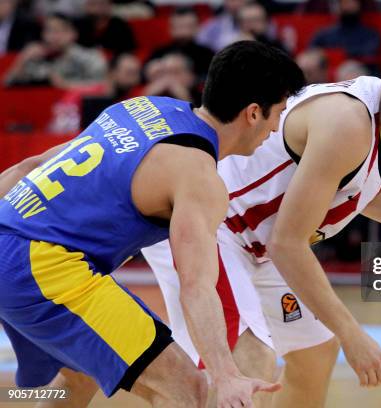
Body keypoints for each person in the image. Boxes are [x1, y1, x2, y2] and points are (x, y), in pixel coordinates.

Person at [143, 27, 381, 408]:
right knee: (251, 363)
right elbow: (288, 244)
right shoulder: (347, 121)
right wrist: (352, 333)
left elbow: (360, 192)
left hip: (260, 243)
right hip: (210, 222)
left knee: (314, 353)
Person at [0, 41, 305, 407]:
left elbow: (27, 168)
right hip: (41, 267)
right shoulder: (199, 177)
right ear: (254, 113)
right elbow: (195, 286)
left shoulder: (140, 106)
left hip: (12, 236)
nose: (276, 129)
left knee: (78, 379)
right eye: (278, 113)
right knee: (184, 387)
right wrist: (226, 377)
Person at [4, 13, 106, 88]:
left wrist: (65, 85)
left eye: (58, 31)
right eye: (48, 30)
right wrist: (22, 59)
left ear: (73, 34)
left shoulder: (90, 57)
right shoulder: (36, 57)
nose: (52, 37)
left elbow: (103, 87)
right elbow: (7, 85)